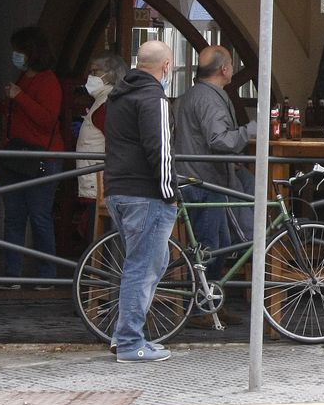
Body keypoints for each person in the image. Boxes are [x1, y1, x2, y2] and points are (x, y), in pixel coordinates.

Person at [102, 39, 179, 363]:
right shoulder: (153, 98)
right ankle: (130, 342)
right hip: (146, 194)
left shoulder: (118, 96)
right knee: (143, 267)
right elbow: (160, 149)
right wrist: (170, 193)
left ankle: (124, 335)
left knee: (150, 263)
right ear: (166, 67)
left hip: (117, 190)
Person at [0, 26, 64, 288]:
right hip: (16, 155)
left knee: (39, 217)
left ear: (31, 52)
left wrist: (20, 97)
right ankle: (12, 274)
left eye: (19, 50)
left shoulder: (48, 80)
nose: (15, 55)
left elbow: (47, 120)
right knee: (14, 217)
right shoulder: (25, 77)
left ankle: (47, 274)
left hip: (41, 158)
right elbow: (17, 113)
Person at [174, 44, 256, 258]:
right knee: (212, 246)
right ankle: (208, 284)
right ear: (224, 69)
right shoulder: (210, 99)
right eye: (231, 64)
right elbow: (219, 139)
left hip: (192, 174)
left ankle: (210, 281)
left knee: (217, 244)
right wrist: (250, 131)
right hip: (205, 181)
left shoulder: (193, 94)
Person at [76, 52, 126, 235]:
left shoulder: (107, 103)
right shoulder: (104, 100)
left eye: (95, 72)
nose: (90, 77)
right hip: (96, 180)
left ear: (110, 74)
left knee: (96, 232)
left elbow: (115, 142)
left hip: (99, 183)